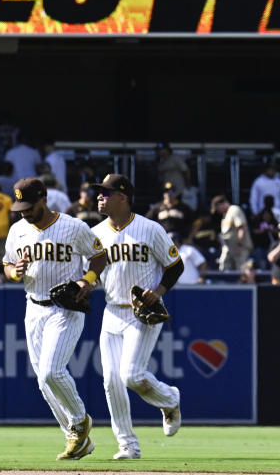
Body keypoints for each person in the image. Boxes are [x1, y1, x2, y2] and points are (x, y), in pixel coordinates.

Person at [2, 177, 109, 461]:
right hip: (33, 306)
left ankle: (79, 420)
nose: (24, 211)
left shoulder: (73, 227)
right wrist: (15, 272)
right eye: (20, 206)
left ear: (43, 199)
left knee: (51, 371)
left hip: (65, 306)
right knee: (43, 381)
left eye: (28, 205)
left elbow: (100, 256)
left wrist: (87, 280)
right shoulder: (17, 230)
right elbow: (7, 264)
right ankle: (76, 439)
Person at [91, 174, 183, 459]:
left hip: (142, 312)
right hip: (111, 311)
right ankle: (127, 445)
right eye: (99, 193)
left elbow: (175, 266)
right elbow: (93, 272)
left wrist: (159, 290)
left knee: (131, 375)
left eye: (106, 193)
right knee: (111, 381)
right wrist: (84, 283)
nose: (99, 198)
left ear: (123, 197)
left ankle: (169, 400)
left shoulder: (149, 228)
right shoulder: (96, 233)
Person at [212, 195, 253, 272]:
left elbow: (242, 228)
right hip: (229, 249)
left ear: (221, 204)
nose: (217, 211)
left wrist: (239, 245)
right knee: (224, 267)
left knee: (241, 269)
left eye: (217, 208)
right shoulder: (225, 215)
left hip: (240, 248)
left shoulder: (234, 209)